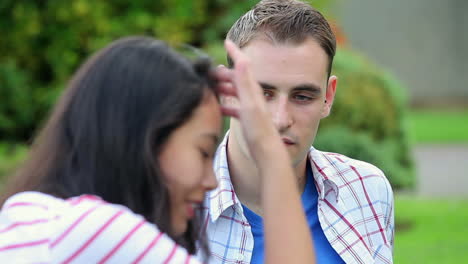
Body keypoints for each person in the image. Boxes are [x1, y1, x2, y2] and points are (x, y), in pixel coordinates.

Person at [0, 36, 316, 263]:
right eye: (204, 152)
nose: (211, 180)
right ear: (145, 142)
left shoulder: (31, 214)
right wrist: (270, 152)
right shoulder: (93, 230)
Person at [202, 1, 395, 263]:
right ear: (227, 90)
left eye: (302, 96)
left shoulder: (367, 190)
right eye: (262, 93)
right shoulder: (175, 207)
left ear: (328, 96)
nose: (281, 119)